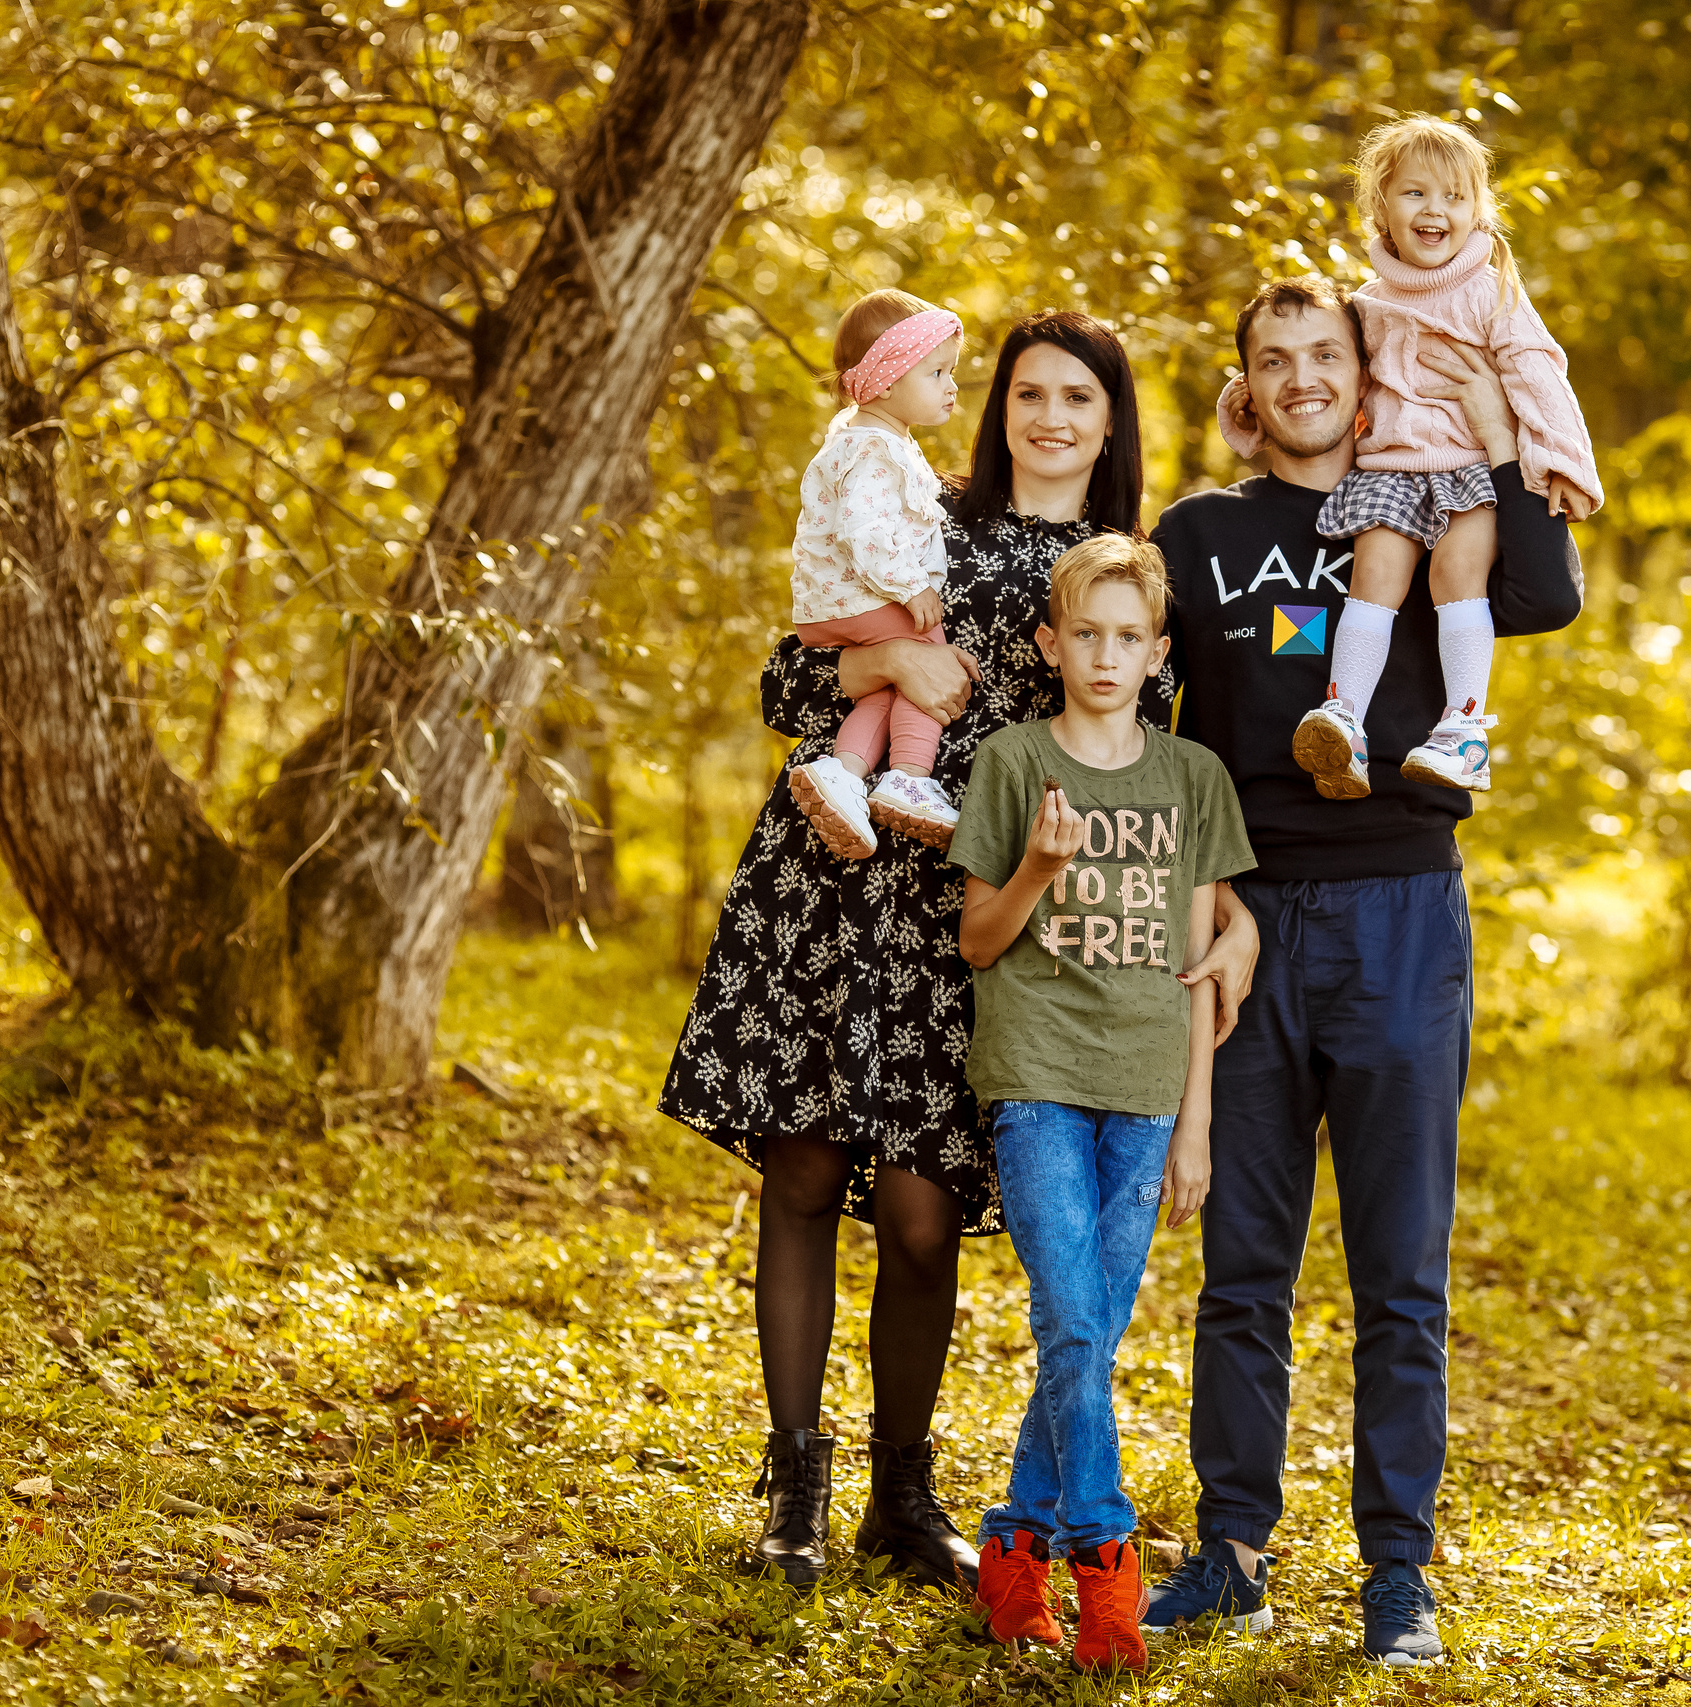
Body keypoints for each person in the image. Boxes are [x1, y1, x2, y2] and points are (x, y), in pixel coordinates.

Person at [658, 312, 1261, 1594]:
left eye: (1079, 399)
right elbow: (789, 676)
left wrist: (1232, 910)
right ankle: (796, 1486)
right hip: (845, 874)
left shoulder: (1127, 578)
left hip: (985, 922)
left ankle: (902, 1490)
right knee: (807, 1174)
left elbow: (1155, 782)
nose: (1051, 417)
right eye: (1029, 393)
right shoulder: (913, 501)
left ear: (1112, 424)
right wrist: (887, 658)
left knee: (926, 1215)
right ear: (996, 408)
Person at [1144, 275, 1586, 1666]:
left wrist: (1481, 402)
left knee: (1402, 1269)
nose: (1301, 378)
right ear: (1248, 386)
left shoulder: (1439, 488)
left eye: (1323, 353)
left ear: (1360, 362)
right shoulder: (1198, 534)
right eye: (1273, 361)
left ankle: (1398, 1568)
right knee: (1243, 1264)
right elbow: (1145, 722)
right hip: (1252, 920)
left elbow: (1551, 590)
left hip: (1402, 905)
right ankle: (1232, 1549)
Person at [949, 535, 1256, 1676]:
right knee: (1073, 1323)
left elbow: (1201, 967)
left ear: (1159, 652)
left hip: (1144, 1096)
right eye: (1087, 633)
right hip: (1034, 1078)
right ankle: (1107, 1563)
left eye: (1130, 637)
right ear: (1050, 643)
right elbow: (979, 942)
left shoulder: (1192, 778)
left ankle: (1013, 1552)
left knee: (1085, 1335)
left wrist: (1198, 1124)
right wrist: (1034, 865)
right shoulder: (1014, 763)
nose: (1107, 654)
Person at [1217, 116, 1601, 797]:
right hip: (1391, 471)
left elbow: (1537, 372)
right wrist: (1246, 407)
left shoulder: (1490, 291)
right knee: (1375, 576)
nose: (1436, 211)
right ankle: (1345, 719)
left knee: (1458, 574)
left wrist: (1563, 462)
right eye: (1417, 194)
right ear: (1382, 208)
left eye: (1455, 198)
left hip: (1467, 472)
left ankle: (1465, 729)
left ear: (1478, 210)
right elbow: (1325, 378)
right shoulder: (1366, 305)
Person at [785, 288, 967, 853]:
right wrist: (911, 585)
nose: (952, 386)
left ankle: (844, 772)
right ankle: (910, 777)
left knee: (883, 693)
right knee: (929, 656)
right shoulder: (874, 449)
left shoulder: (864, 440)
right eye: (937, 372)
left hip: (833, 611)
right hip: (866, 602)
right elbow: (862, 529)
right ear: (886, 382)